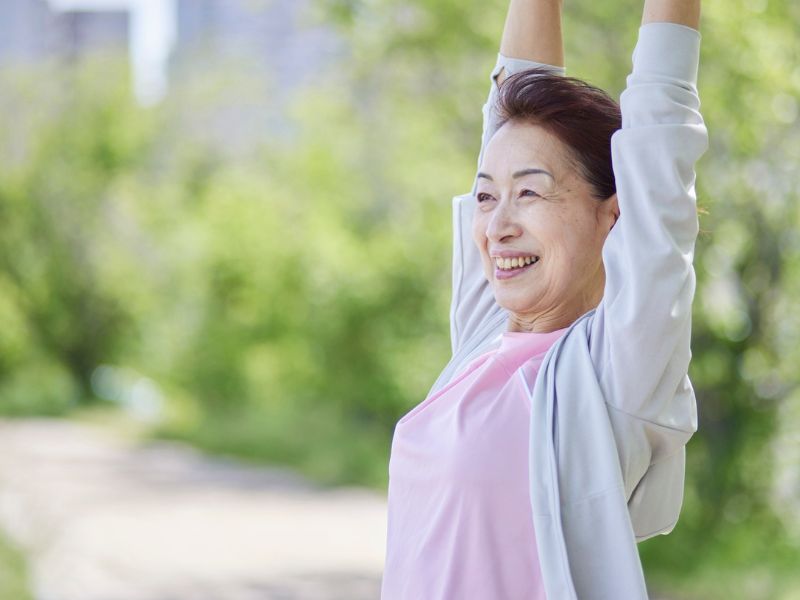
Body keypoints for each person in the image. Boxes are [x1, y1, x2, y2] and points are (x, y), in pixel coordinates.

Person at [381, 0, 708, 598]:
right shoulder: (486, 337)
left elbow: (661, 146)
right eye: (486, 198)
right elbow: (510, 104)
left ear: (616, 217)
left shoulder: (612, 373)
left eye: (530, 194)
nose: (497, 226)